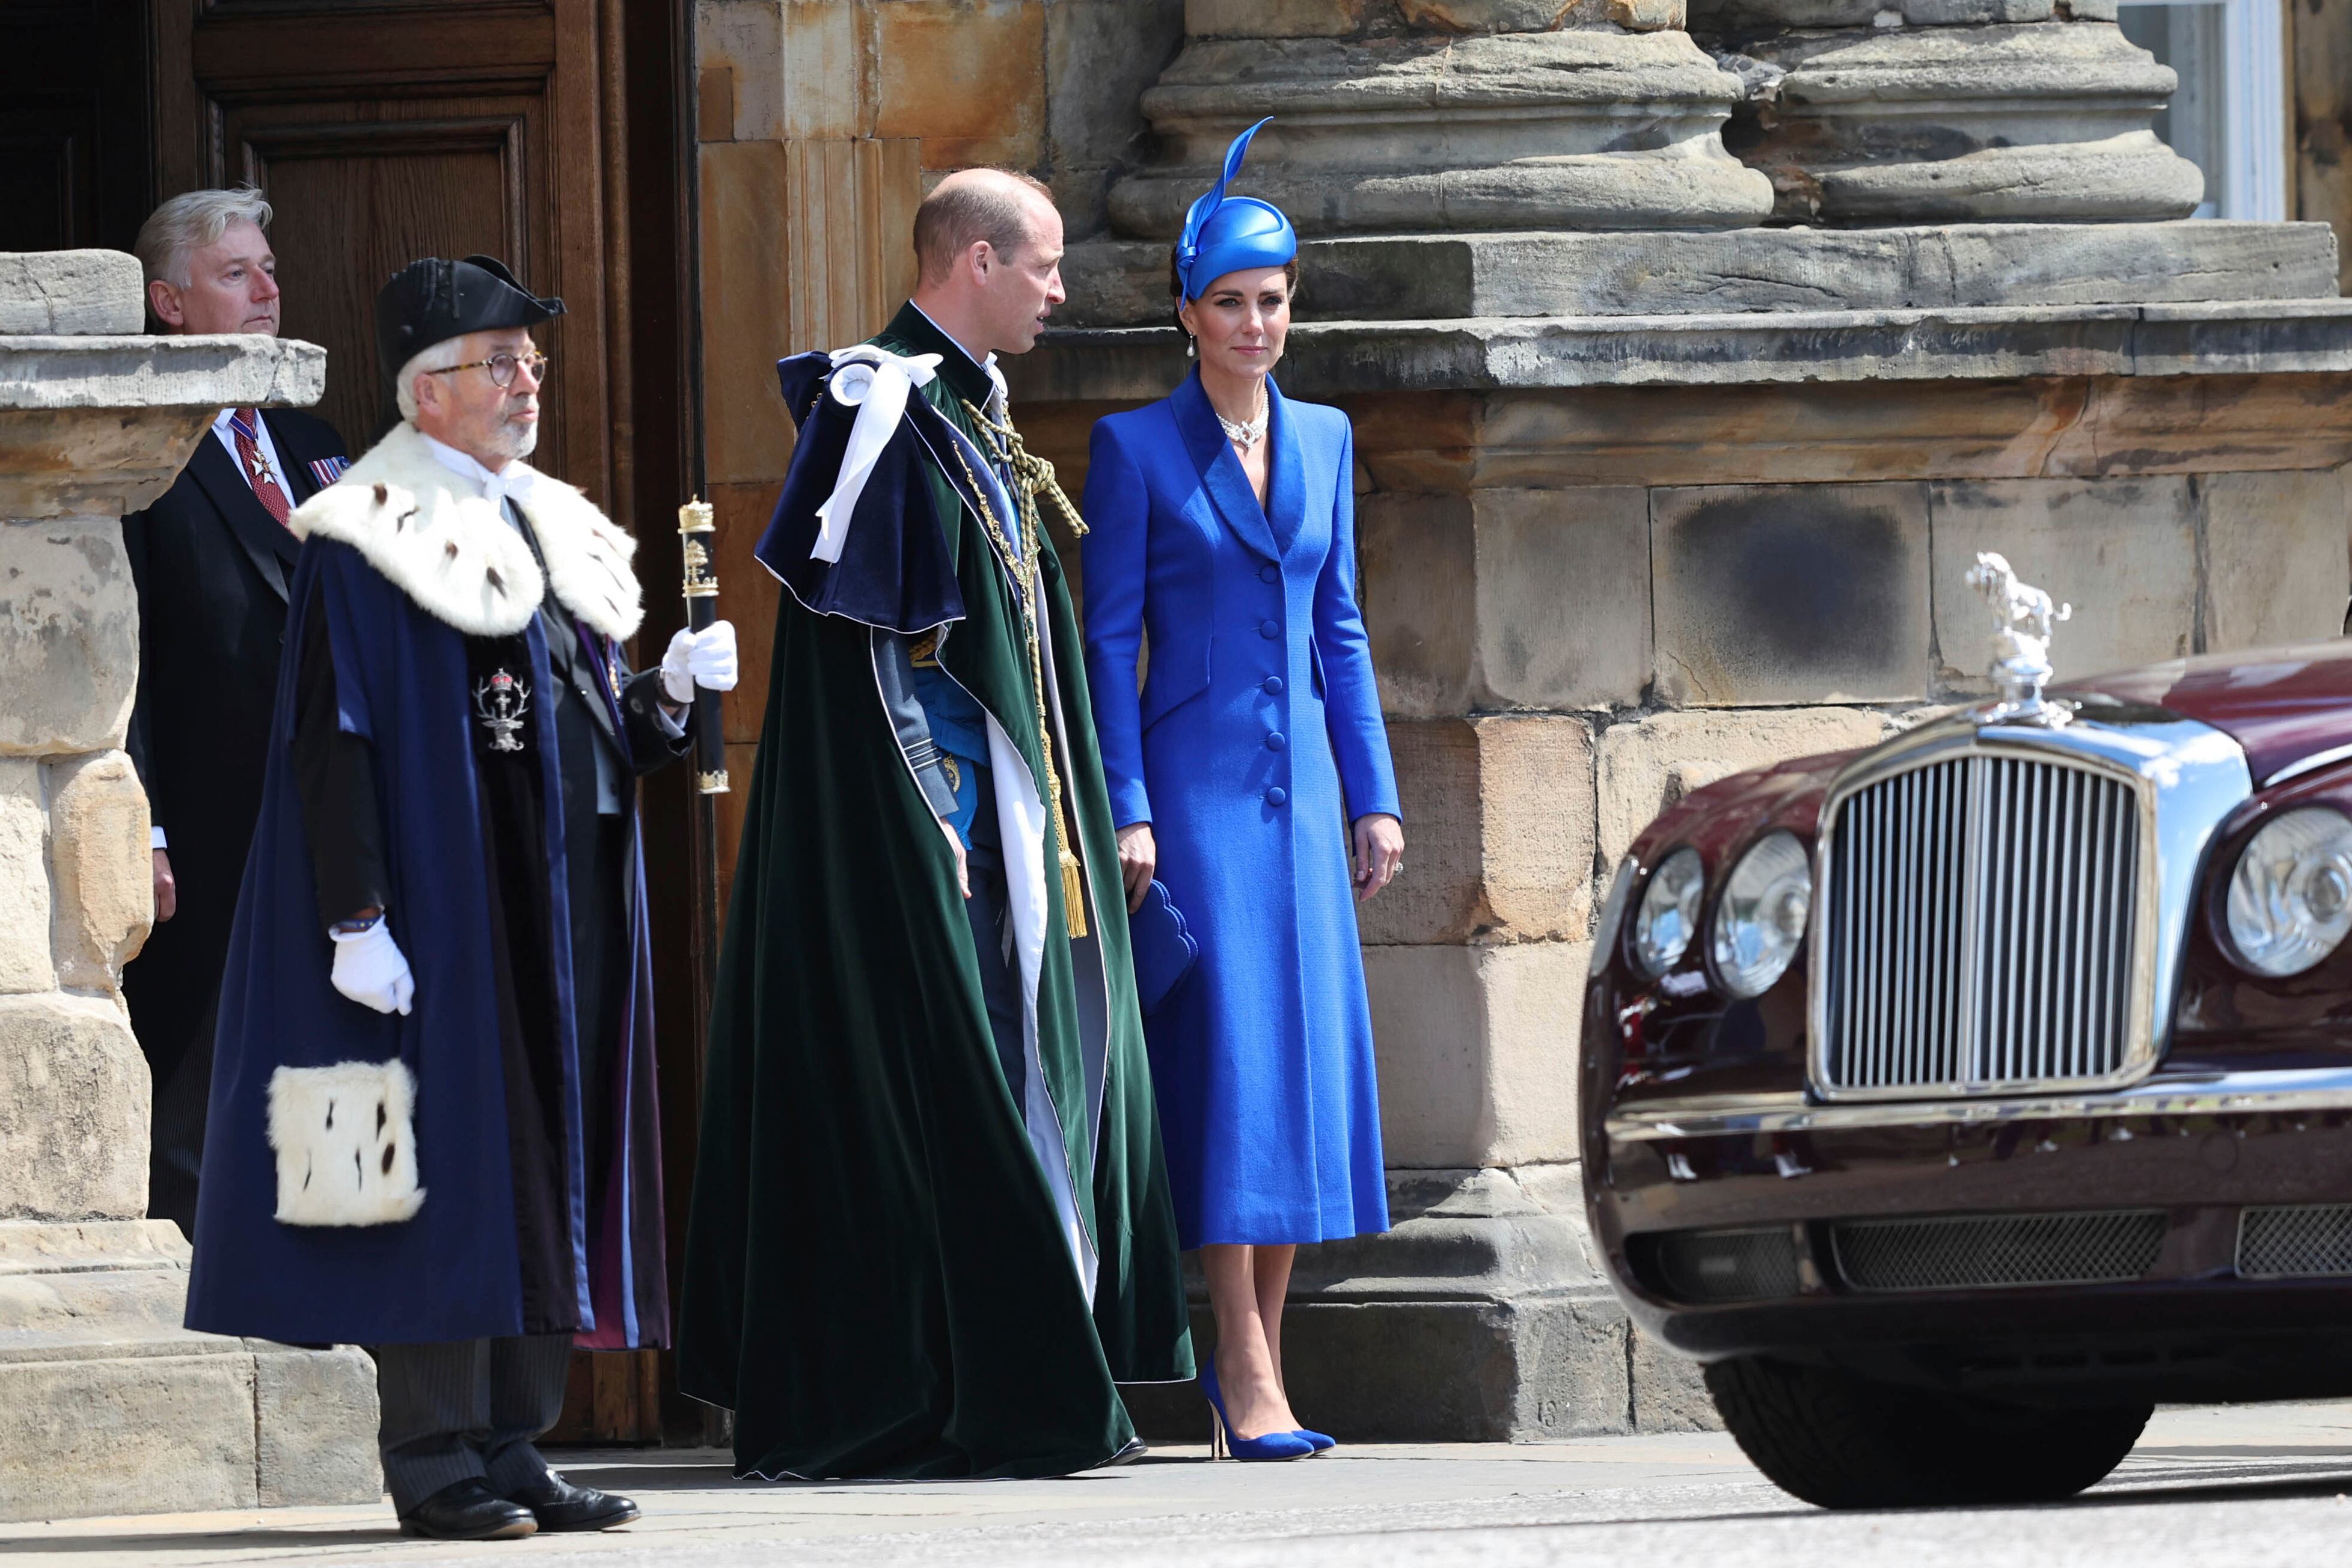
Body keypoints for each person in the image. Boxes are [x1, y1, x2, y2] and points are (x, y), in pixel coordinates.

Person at [183, 255, 740, 1541]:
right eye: (501, 362)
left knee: (546, 1155)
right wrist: (355, 916)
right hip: (443, 904)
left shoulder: (540, 518)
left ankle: (514, 1437)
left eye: (531, 361)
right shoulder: (367, 532)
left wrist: (659, 693)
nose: (527, 380)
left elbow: (580, 723)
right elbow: (336, 735)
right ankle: (434, 1456)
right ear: (428, 394)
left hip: (561, 905)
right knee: (444, 1167)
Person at [677, 168, 1194, 1480]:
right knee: (949, 1090)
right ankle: (950, 1391)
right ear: (973, 260)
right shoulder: (883, 407)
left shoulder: (968, 405)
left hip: (1011, 836)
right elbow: (877, 663)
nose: (1063, 291)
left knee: (1027, 1076)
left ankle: (1004, 1381)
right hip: (945, 833)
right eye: (1045, 266)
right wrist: (938, 821)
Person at [1079, 120, 1404, 1461]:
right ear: (1187, 313)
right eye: (1231, 303)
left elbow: (1343, 626)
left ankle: (1257, 1362)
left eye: (1273, 301)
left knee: (1297, 1068)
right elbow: (1106, 642)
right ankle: (1241, 1360)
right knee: (1229, 1066)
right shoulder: (1136, 446)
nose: (1256, 323)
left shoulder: (1324, 435)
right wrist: (1128, 800)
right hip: (1198, 797)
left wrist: (1374, 793)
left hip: (1307, 791)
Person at [120, 186, 351, 1239]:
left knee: (338, 1095)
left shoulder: (318, 441)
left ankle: (345, 1342)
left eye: (269, 269)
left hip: (341, 842)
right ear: (169, 302)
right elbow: (125, 663)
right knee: (204, 1119)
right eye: (235, 274)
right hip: (213, 851)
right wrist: (145, 827)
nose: (268, 291)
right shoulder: (137, 459)